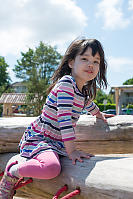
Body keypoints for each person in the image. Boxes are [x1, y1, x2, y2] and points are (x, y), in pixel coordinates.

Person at [0, 38, 113, 199]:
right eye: (85, 59)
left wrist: (98, 114)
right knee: (51, 169)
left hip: (56, 142)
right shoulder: (67, 83)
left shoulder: (81, 91)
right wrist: (72, 151)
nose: (91, 64)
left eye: (96, 61)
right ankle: (12, 172)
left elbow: (87, 103)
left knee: (54, 166)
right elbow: (64, 119)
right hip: (41, 138)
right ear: (71, 63)